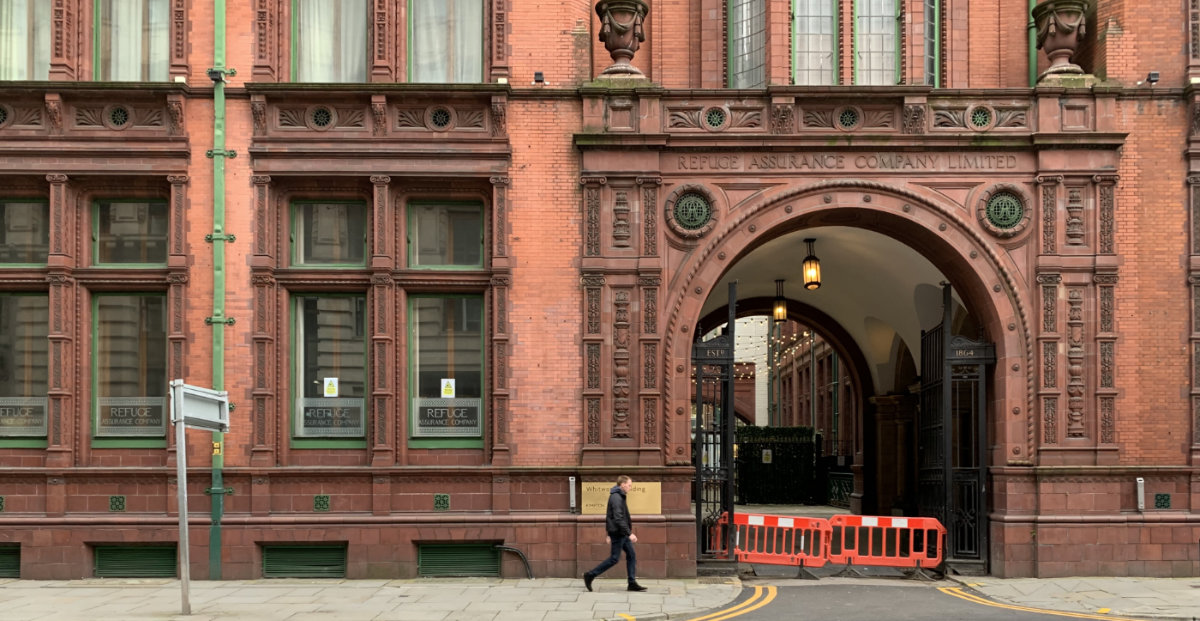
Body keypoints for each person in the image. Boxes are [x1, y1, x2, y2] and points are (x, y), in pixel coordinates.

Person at [583, 475, 647, 592]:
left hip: (620, 532)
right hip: (619, 533)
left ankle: (632, 582)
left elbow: (609, 515)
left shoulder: (619, 496)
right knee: (614, 559)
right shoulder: (617, 497)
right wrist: (629, 533)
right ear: (622, 485)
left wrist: (608, 533)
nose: (630, 488)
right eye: (629, 485)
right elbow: (618, 518)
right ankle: (590, 575)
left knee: (631, 555)